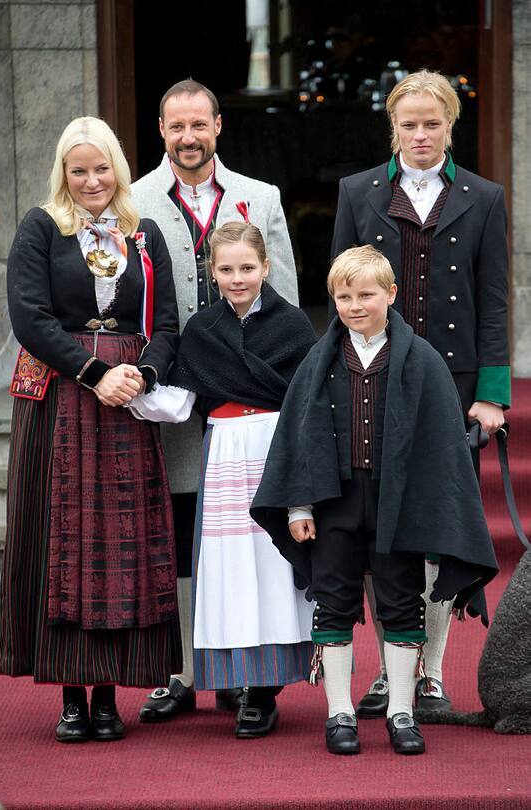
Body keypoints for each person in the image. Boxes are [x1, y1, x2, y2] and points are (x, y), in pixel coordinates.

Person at [251, 245, 499, 755]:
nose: (354, 305)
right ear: (332, 299)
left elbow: (440, 449)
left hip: (398, 506)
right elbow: (298, 437)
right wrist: (297, 507)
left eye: (366, 294)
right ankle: (339, 713)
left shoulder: (423, 360)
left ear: (391, 294)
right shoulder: (319, 362)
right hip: (333, 504)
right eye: (343, 296)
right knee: (334, 602)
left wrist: (434, 519)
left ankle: (402, 712)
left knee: (400, 602)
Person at [0, 116, 182, 743]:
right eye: (79, 170)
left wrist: (143, 374)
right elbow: (30, 316)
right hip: (60, 400)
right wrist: (95, 371)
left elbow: (169, 326)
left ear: (118, 169)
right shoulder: (42, 228)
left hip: (126, 404)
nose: (92, 180)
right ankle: (72, 696)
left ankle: (110, 695)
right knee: (64, 539)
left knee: (119, 546)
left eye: (101, 168)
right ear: (63, 174)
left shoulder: (145, 233)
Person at [330, 69, 510, 717]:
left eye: (432, 123)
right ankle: (387, 671)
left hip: (455, 386)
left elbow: (495, 303)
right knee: (380, 528)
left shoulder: (484, 198)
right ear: (392, 128)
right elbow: (339, 295)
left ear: (450, 126)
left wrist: (492, 395)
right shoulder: (358, 193)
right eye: (409, 123)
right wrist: (334, 380)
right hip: (373, 378)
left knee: (437, 526)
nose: (421, 134)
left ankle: (430, 673)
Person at [131, 79, 299, 722]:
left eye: (199, 124)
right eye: (177, 126)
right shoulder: (136, 198)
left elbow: (281, 299)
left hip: (249, 407)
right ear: (162, 128)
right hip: (177, 393)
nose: (188, 137)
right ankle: (180, 670)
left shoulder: (262, 197)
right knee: (181, 535)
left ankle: (241, 670)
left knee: (248, 539)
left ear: (218, 125)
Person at [127, 221, 316, 737]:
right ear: (212, 272)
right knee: (230, 567)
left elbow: (307, 403)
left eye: (247, 268)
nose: (238, 278)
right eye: (227, 269)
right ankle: (235, 680)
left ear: (267, 267)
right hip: (226, 453)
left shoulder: (294, 324)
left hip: (275, 451)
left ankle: (263, 691)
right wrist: (128, 386)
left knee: (273, 566)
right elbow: (181, 400)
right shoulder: (202, 331)